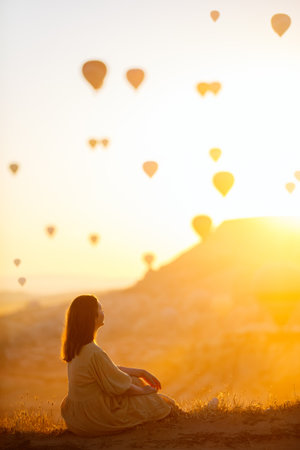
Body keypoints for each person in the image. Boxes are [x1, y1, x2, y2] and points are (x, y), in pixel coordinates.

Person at [60, 294, 178, 437]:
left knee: (134, 381)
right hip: (95, 418)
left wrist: (141, 372)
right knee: (158, 402)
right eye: (100, 308)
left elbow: (109, 370)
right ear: (92, 316)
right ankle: (182, 413)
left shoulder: (77, 347)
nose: (103, 312)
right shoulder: (94, 352)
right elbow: (121, 386)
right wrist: (144, 392)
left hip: (77, 419)